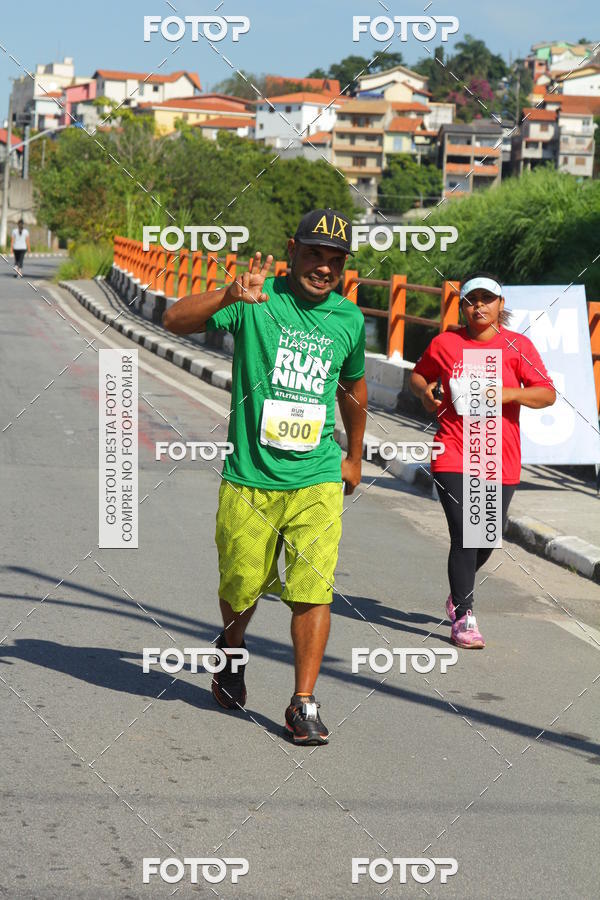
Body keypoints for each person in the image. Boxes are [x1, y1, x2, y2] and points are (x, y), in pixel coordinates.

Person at [163, 208, 367, 744]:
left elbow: (355, 390)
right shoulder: (256, 299)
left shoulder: (347, 319)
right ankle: (232, 648)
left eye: (335, 260)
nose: (323, 268)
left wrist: (355, 457)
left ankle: (303, 702)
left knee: (313, 587)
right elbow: (174, 320)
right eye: (314, 255)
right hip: (250, 475)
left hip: (317, 476)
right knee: (241, 583)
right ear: (292, 250)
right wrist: (228, 296)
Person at [410, 272, 556, 649]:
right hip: (453, 452)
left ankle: (459, 590)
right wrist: (427, 396)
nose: (479, 306)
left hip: (498, 457)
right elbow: (418, 376)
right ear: (463, 305)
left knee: (486, 538)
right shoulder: (445, 343)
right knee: (466, 533)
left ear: (500, 305)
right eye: (472, 299)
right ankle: (463, 615)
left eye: (487, 299)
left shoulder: (517, 346)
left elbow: (546, 394)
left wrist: (507, 393)